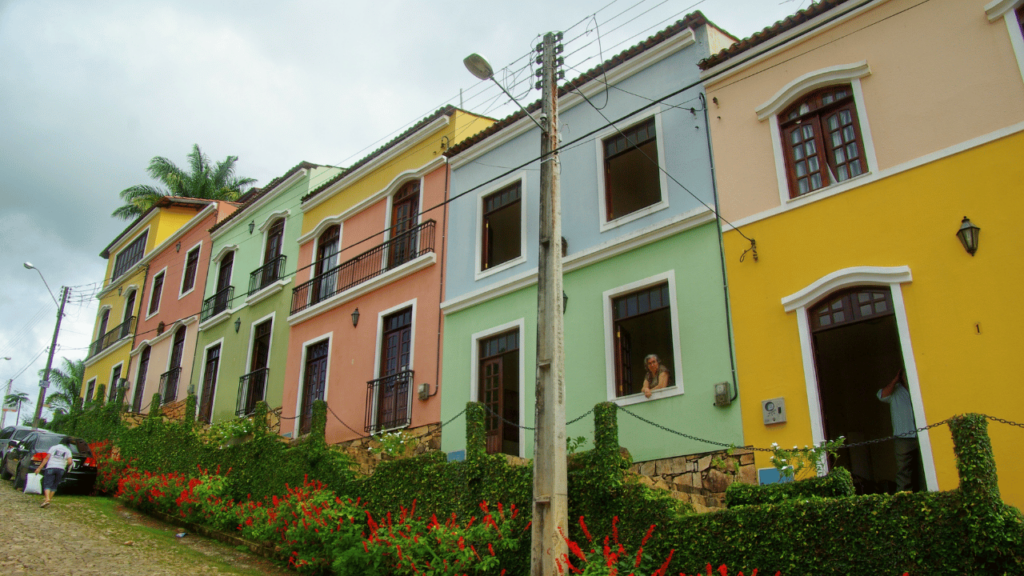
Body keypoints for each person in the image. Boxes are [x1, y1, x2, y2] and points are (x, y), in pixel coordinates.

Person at [877, 369, 920, 492]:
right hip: (903, 437)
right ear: (901, 377)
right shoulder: (895, 390)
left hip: (922, 435)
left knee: (923, 467)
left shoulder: (918, 387)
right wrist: (894, 381)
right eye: (905, 375)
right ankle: (904, 497)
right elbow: (881, 396)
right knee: (904, 470)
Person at [35, 438, 73, 508]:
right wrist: (65, 464)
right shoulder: (68, 450)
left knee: (47, 484)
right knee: (55, 485)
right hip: (61, 469)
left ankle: (47, 499)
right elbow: (70, 462)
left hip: (51, 467)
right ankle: (48, 501)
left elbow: (47, 458)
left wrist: (39, 468)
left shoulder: (53, 447)